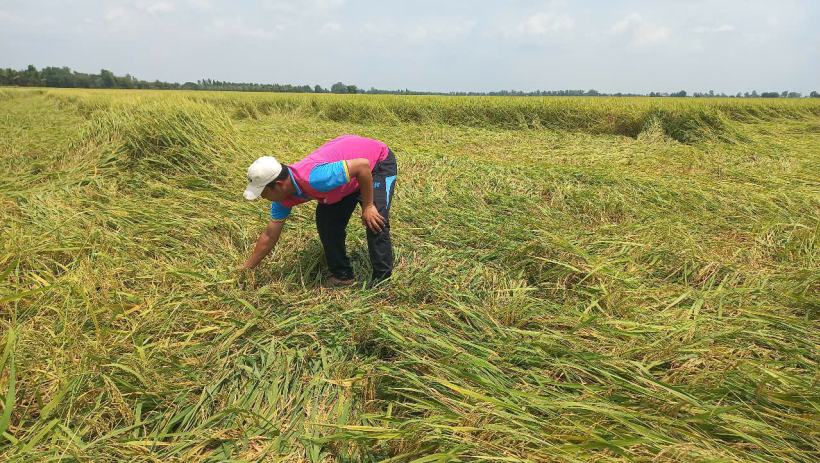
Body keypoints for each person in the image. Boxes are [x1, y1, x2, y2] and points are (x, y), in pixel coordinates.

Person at [236, 135, 397, 288]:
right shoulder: (282, 198)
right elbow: (270, 234)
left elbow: (362, 165)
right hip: (350, 176)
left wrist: (368, 206)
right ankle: (342, 276)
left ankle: (382, 281)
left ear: (278, 184)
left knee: (375, 219)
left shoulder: (315, 178)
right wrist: (248, 266)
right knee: (326, 220)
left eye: (264, 193)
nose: (264, 197)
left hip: (376, 164)